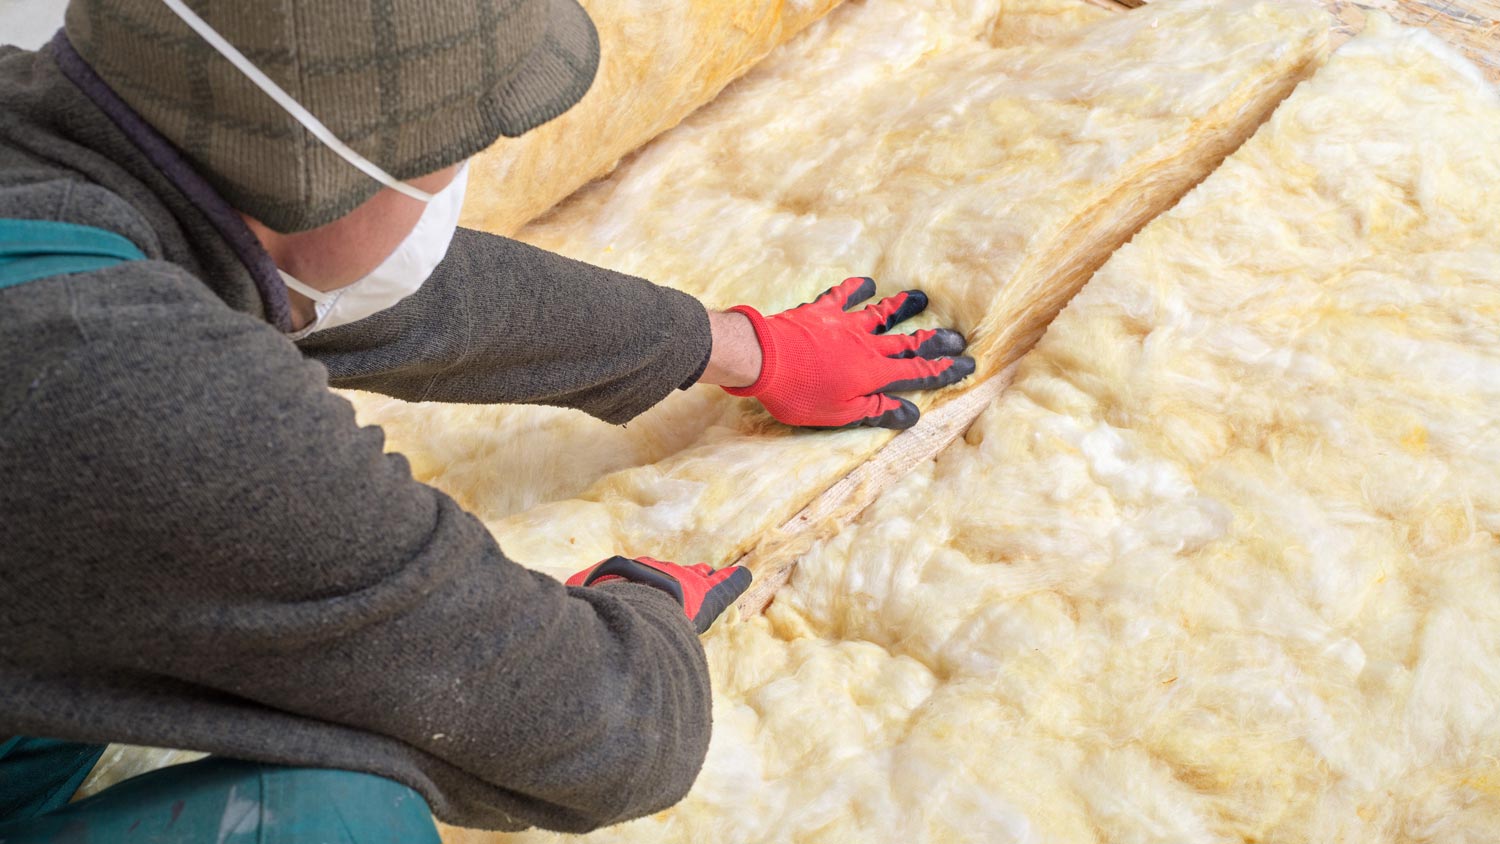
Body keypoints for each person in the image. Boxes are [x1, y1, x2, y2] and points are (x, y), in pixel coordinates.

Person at [0, 0, 974, 839]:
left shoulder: (56, 146)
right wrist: (639, 608)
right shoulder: (118, 372)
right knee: (342, 824)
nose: (457, 180)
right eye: (447, 156)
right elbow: (610, 725)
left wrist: (730, 345)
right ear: (321, 173)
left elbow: (375, 291)